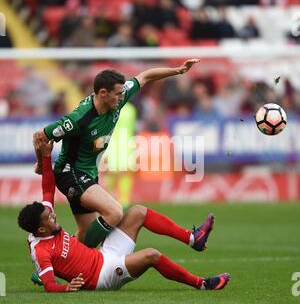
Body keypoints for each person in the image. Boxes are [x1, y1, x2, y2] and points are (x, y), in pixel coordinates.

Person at [21, 134, 230, 292]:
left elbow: (48, 188)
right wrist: (66, 288)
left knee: (138, 212)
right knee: (151, 255)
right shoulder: (40, 250)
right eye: (48, 218)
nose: (53, 214)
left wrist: (46, 156)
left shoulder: (44, 219)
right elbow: (50, 286)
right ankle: (202, 284)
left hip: (104, 255)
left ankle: (194, 239)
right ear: (40, 229)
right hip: (102, 276)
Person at [33, 59, 200, 245]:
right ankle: (77, 260)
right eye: (118, 94)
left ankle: (58, 264)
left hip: (88, 173)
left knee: (86, 235)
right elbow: (41, 136)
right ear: (103, 93)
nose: (122, 98)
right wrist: (41, 163)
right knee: (114, 212)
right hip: (70, 173)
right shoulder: (78, 119)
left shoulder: (117, 99)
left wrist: (178, 71)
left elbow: (145, 77)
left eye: (122, 93)